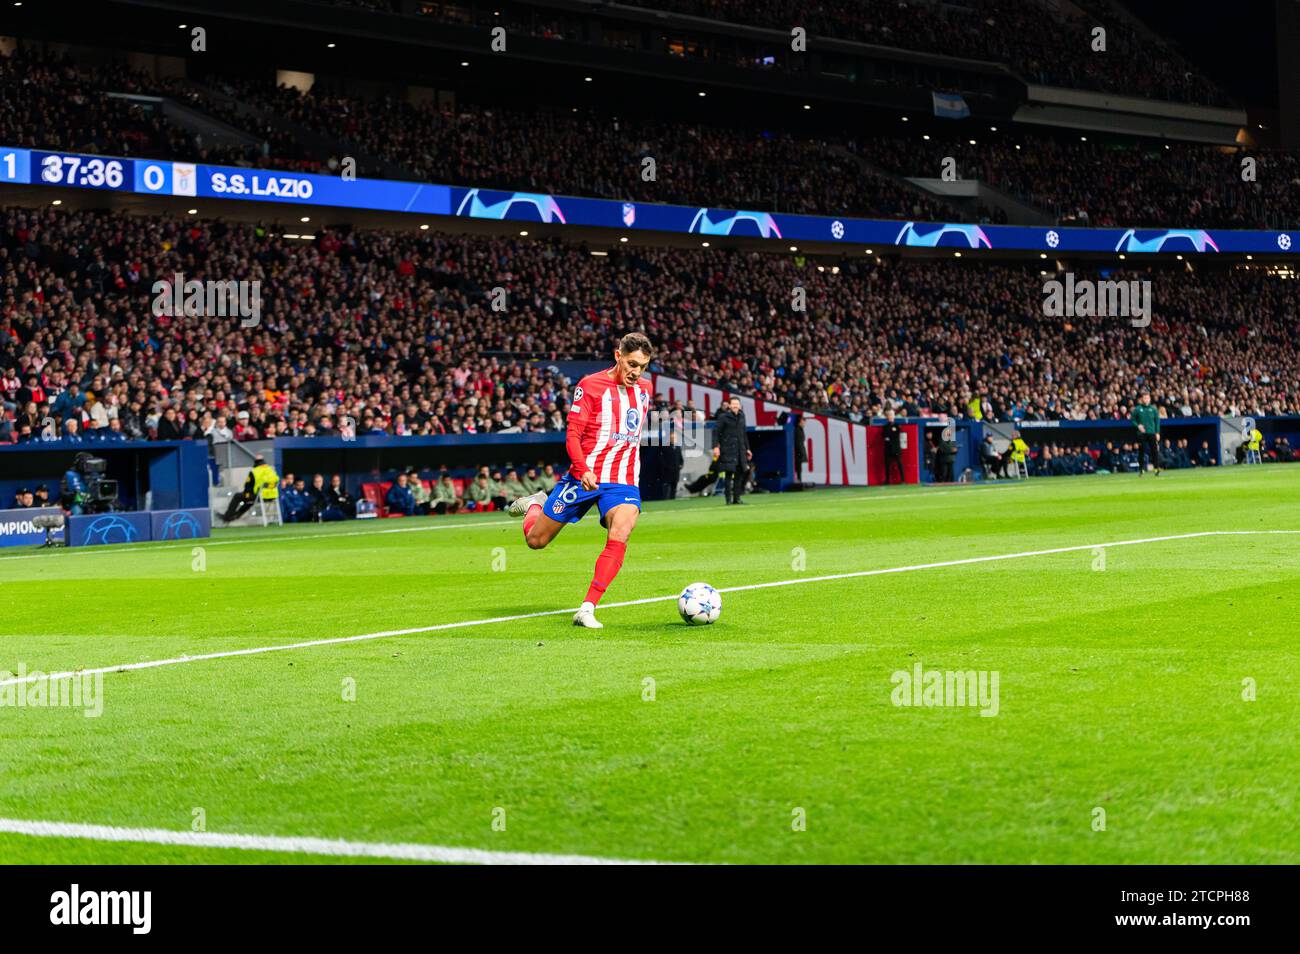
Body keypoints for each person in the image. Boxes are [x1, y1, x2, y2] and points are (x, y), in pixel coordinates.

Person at [507, 332, 654, 629]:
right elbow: (573, 434)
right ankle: (536, 504)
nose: (636, 371)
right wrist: (583, 467)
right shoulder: (590, 386)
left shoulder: (645, 389)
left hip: (623, 480)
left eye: (642, 366)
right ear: (618, 356)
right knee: (536, 541)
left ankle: (587, 608)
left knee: (622, 530)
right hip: (583, 476)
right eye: (632, 363)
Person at [714, 396, 751, 505]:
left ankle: (737, 498)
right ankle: (728, 499)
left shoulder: (742, 416)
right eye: (733, 404)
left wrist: (748, 449)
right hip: (728, 449)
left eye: (737, 404)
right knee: (729, 475)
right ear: (729, 405)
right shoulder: (723, 417)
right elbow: (717, 432)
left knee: (739, 475)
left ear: (740, 406)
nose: (735, 406)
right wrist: (716, 446)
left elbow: (744, 434)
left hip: (740, 450)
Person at [220, 453, 279, 523]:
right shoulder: (271, 470)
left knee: (239, 496)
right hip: (272, 496)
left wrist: (246, 494)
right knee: (249, 499)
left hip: (260, 496)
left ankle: (227, 517)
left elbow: (248, 486)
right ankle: (236, 515)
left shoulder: (255, 471)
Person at [1131, 391, 1161, 475]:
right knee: (1142, 451)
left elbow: (1157, 421)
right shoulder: (1137, 409)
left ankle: (1156, 468)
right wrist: (1138, 426)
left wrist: (1157, 432)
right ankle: (1141, 469)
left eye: (1147, 398)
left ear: (1150, 399)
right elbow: (1132, 420)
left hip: (1151, 432)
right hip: (1142, 434)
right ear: (1141, 399)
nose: (1146, 399)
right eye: (1144, 398)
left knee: (1154, 451)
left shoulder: (1153, 409)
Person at [882, 408, 905, 484]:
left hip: (895, 448)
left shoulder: (897, 426)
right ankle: (887, 480)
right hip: (888, 448)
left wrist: (889, 436)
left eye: (891, 415)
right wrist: (889, 436)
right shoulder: (885, 426)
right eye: (889, 415)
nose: (890, 416)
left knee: (900, 464)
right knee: (887, 465)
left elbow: (895, 434)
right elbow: (883, 435)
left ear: (894, 416)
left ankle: (902, 480)